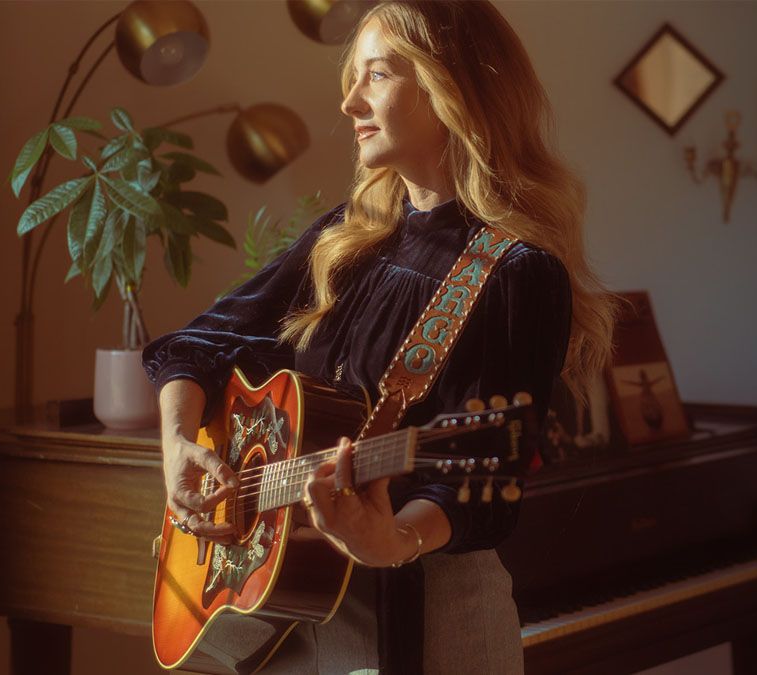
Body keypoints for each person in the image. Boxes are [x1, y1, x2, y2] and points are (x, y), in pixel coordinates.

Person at [142, 1, 618, 673]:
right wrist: (178, 446)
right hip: (285, 613)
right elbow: (198, 344)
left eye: (377, 74)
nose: (349, 103)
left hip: (425, 613)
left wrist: (391, 536)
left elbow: (484, 479)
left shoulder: (515, 271)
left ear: (449, 88)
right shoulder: (346, 237)